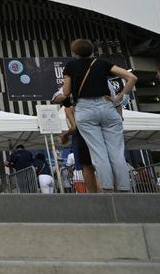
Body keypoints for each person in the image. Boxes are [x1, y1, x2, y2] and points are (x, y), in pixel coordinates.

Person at [58, 39, 137, 192]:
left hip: (85, 110)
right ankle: (124, 188)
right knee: (117, 152)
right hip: (107, 107)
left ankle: (107, 189)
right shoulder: (102, 63)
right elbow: (132, 78)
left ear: (74, 52)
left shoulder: (71, 66)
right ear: (92, 50)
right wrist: (121, 96)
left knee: (98, 152)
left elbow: (66, 93)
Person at [54, 89, 98, 193]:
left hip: (79, 137)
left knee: (86, 169)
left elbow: (74, 127)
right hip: (92, 133)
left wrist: (65, 135)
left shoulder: (68, 108)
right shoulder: (85, 105)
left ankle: (96, 194)